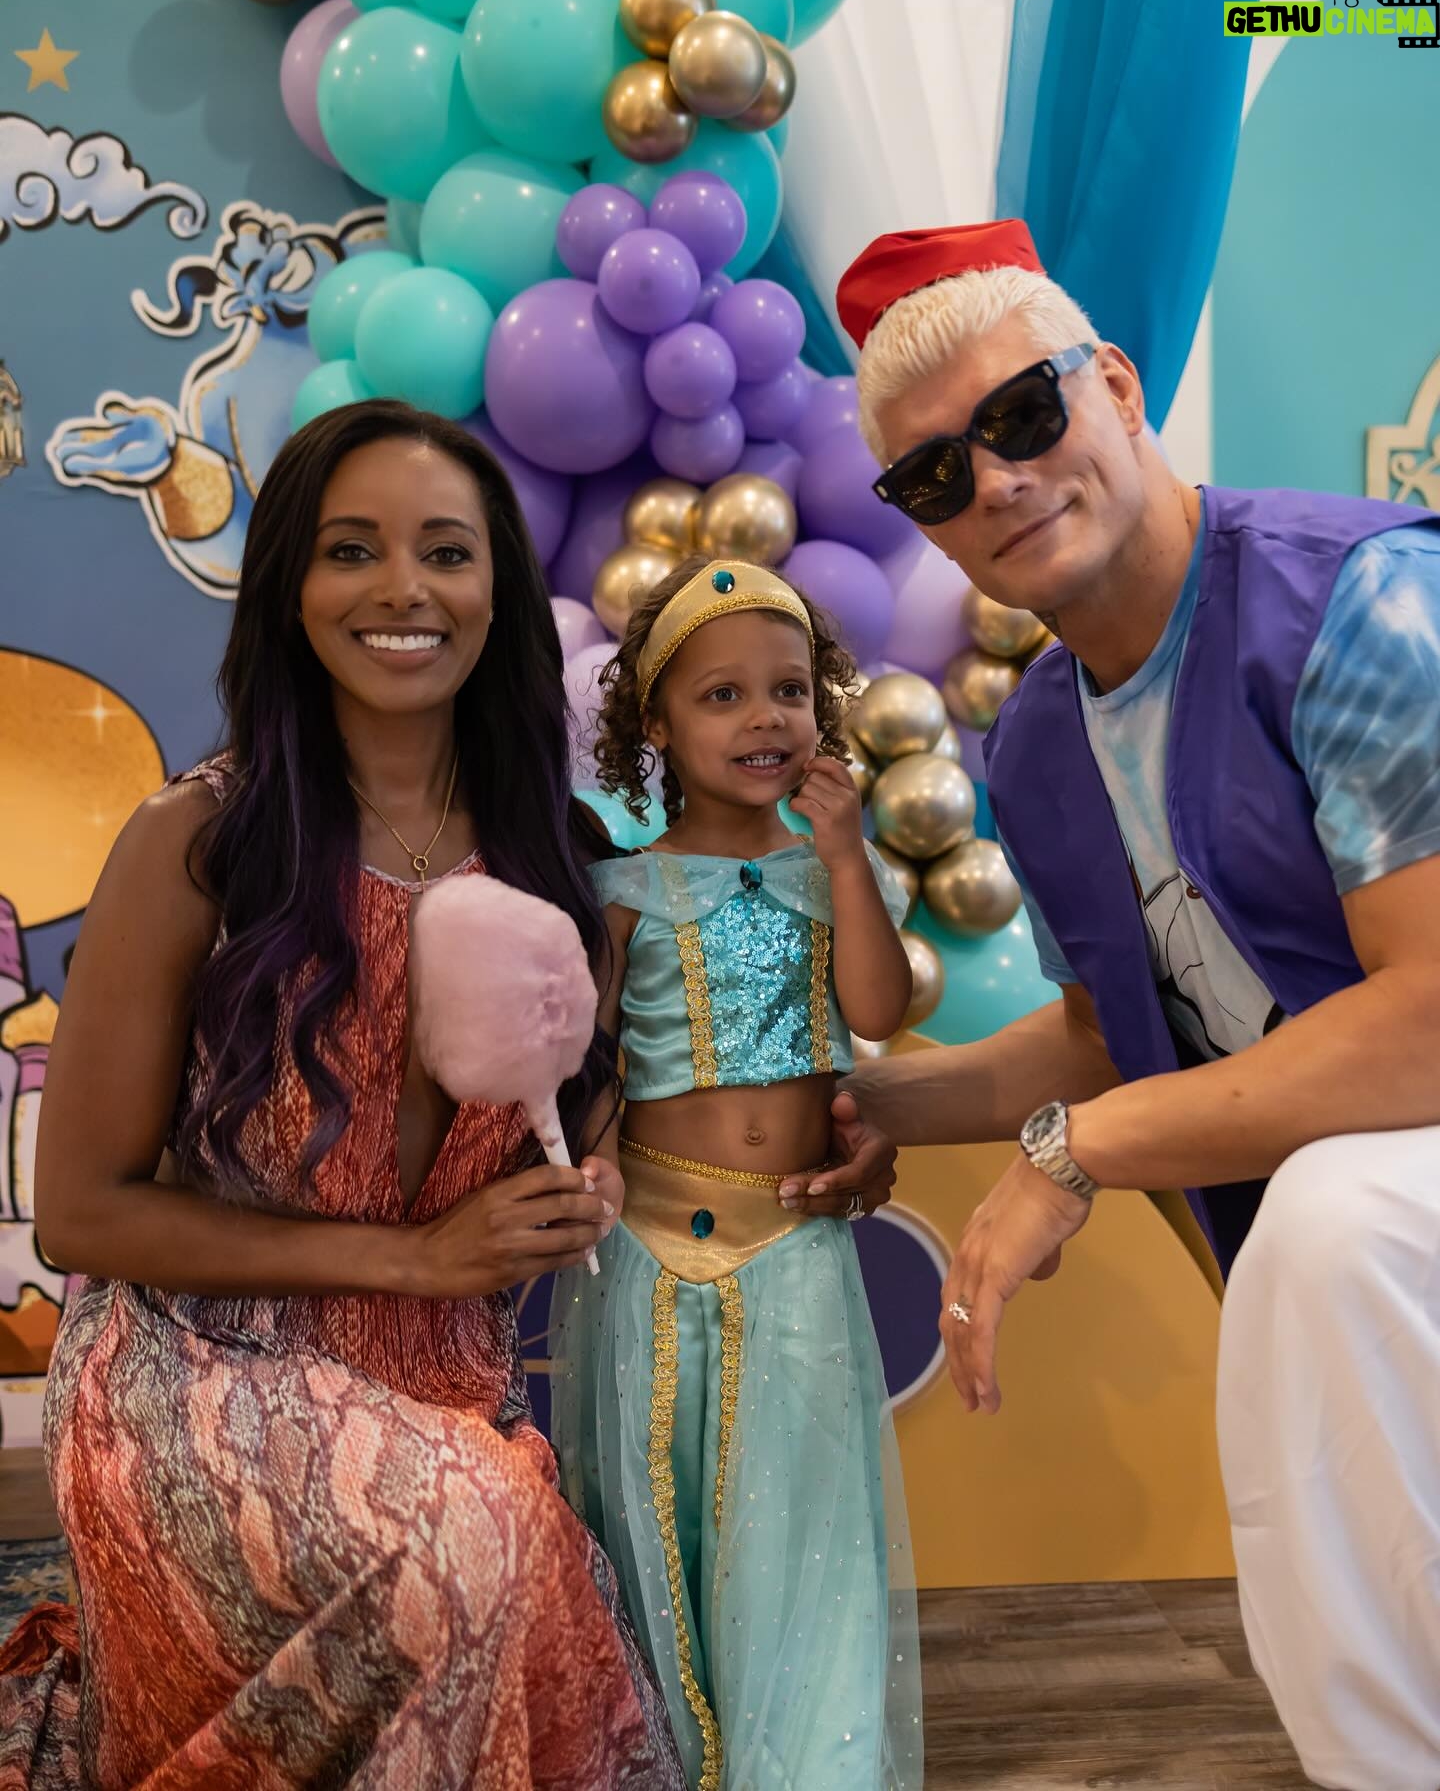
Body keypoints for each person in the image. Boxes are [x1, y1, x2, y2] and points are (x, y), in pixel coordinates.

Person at [824, 218, 1440, 1791]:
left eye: (1024, 415)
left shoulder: (1355, 603)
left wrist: (1078, 1152)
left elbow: (1433, 1014)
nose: (997, 481)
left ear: (1114, 383)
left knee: (1329, 1227)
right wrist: (864, 1100)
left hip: (1383, 1214)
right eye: (934, 476)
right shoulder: (1038, 741)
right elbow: (1119, 1030)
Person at [0, 400, 685, 1789]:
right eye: (351, 550)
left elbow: (578, 1129)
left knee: (509, 1551)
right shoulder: (198, 841)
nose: (402, 590)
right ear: (289, 589)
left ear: (498, 587)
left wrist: (584, 1186)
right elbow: (79, 1213)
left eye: (447, 551)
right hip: (196, 1372)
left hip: (445, 1387)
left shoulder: (563, 860)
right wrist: (415, 1258)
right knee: (476, 1543)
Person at [550, 557, 924, 1791]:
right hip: (652, 1247)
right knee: (663, 1514)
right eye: (723, 695)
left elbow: (876, 1008)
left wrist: (849, 856)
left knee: (798, 1517)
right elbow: (593, 1066)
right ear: (655, 724)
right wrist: (592, 1169)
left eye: (790, 690)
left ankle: (809, 1766)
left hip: (796, 1245)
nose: (766, 717)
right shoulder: (624, 889)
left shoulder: (832, 875)